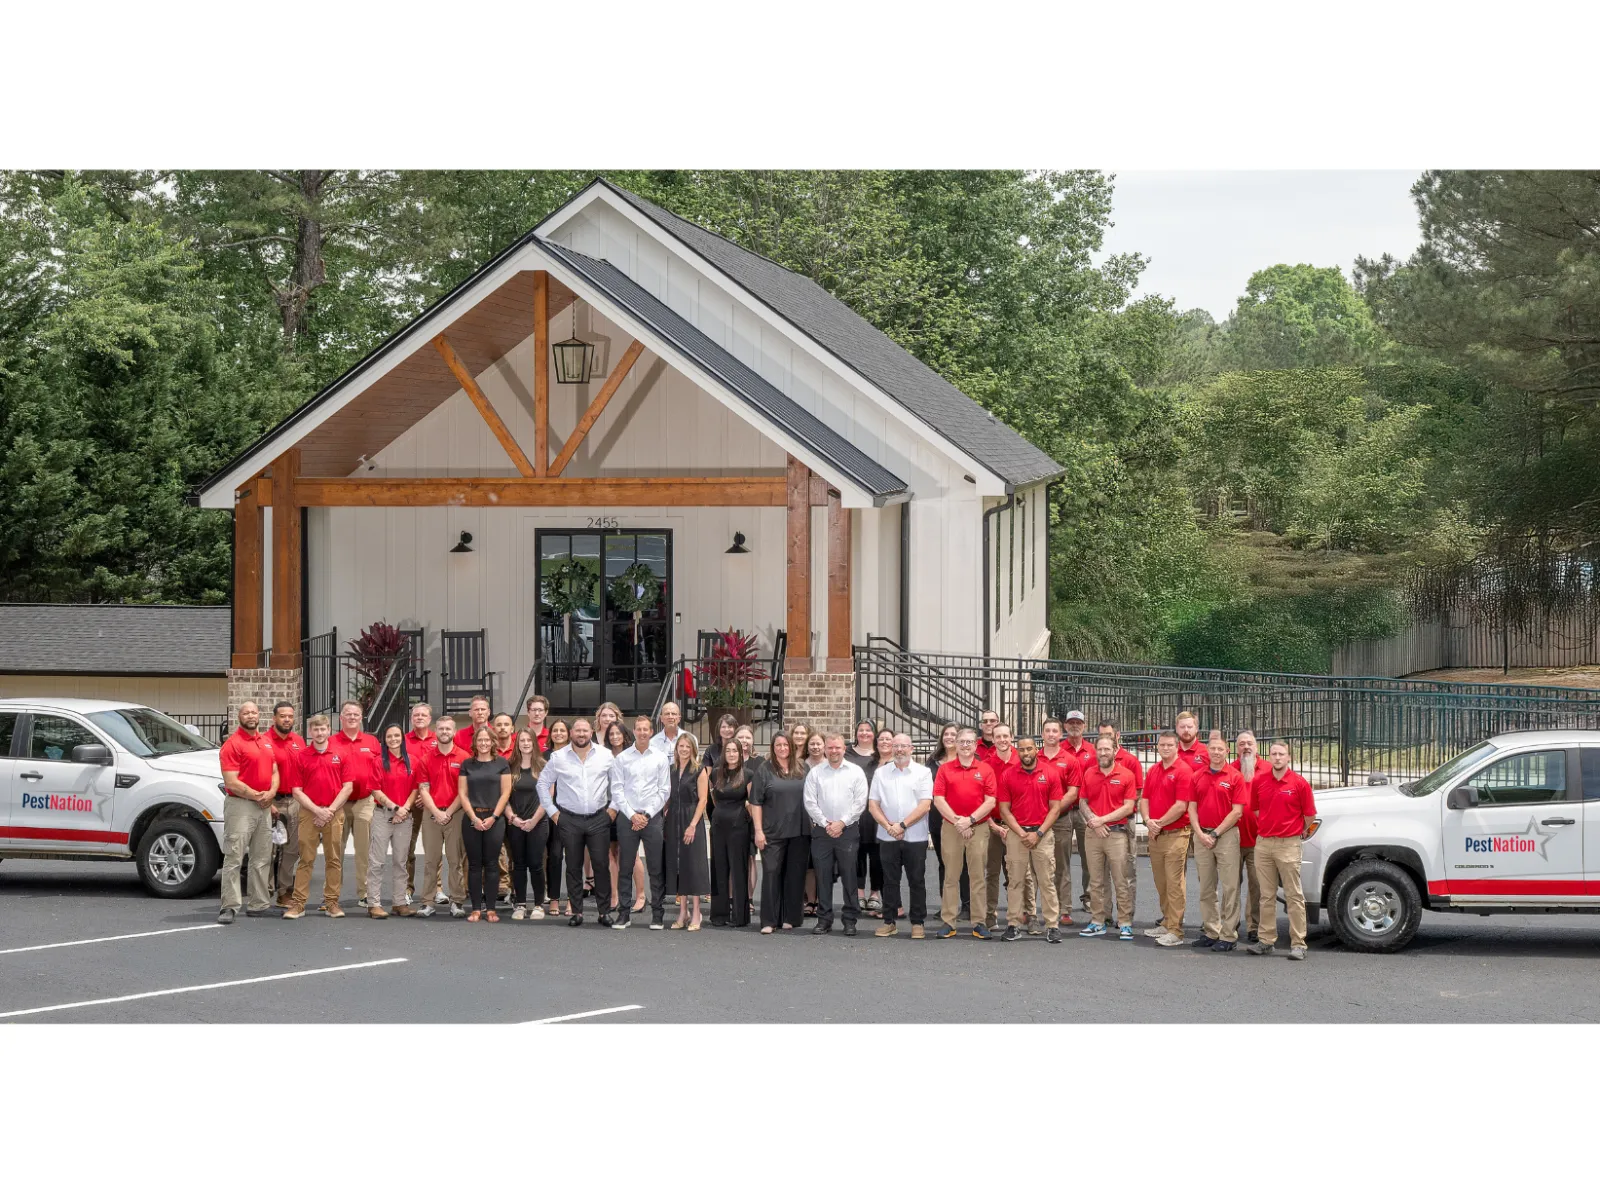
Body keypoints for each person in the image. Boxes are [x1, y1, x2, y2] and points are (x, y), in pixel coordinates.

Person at [537, 717, 616, 927]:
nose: (581, 734)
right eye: (577, 731)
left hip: (599, 818)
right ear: (571, 733)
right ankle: (577, 912)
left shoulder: (605, 755)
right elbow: (543, 784)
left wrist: (613, 810)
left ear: (591, 732)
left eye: (585, 730)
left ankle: (604, 912)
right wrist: (553, 812)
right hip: (568, 819)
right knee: (573, 866)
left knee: (601, 865)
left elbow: (618, 784)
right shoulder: (558, 757)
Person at [1246, 740, 1317, 961]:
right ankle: (1266, 941)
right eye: (1274, 754)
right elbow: (1256, 809)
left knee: (1293, 894)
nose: (1277, 757)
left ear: (1289, 757)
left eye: (1281, 754)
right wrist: (1270, 827)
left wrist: (1295, 831)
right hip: (1264, 843)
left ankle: (1298, 943)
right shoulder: (1260, 781)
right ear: (1269, 757)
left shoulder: (1299, 783)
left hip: (1289, 844)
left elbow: (1309, 815)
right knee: (1266, 895)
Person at [284, 713, 354, 919]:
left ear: (329, 730)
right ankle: (298, 904)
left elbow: (347, 787)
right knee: (306, 859)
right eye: (315, 729)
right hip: (309, 813)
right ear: (310, 732)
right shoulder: (302, 756)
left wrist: (329, 810)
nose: (320, 732)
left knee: (333, 860)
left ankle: (332, 902)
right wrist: (317, 810)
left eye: (323, 729)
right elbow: (296, 790)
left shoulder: (341, 754)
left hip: (334, 812)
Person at [997, 734, 1064, 944]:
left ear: (1037, 749)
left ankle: (1052, 925)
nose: (1026, 753)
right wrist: (1021, 833)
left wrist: (1039, 833)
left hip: (1042, 834)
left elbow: (1055, 808)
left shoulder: (1050, 773)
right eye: (1022, 749)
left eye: (1029, 749)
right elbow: (1004, 810)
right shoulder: (1008, 775)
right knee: (1015, 881)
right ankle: (1013, 924)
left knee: (1046, 881)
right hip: (1018, 835)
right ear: (1017, 751)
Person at [932, 728, 997, 939]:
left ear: (976, 745)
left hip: (977, 827)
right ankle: (948, 921)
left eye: (969, 742)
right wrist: (958, 821)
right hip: (952, 828)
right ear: (956, 744)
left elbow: (990, 801)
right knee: (951, 875)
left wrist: (969, 820)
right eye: (962, 741)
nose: (965, 745)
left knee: (978, 876)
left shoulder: (985, 769)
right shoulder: (945, 769)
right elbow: (939, 799)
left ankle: (979, 922)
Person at [217, 702, 278, 924]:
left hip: (263, 806)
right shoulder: (232, 745)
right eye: (246, 713)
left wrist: (271, 793)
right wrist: (257, 796)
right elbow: (231, 781)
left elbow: (274, 770)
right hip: (241, 805)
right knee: (234, 855)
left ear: (259, 715)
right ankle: (230, 906)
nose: (251, 716)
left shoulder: (266, 742)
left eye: (254, 712)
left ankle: (259, 904)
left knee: (262, 857)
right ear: (239, 716)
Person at [868, 732, 933, 939]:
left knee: (916, 880)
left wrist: (902, 825)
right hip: (888, 837)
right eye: (896, 746)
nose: (899, 749)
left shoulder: (922, 773)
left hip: (915, 837)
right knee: (890, 881)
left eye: (904, 746)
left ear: (911, 749)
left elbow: (925, 804)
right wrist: (889, 826)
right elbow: (873, 805)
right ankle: (889, 922)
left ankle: (918, 923)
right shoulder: (881, 773)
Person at [803, 733, 869, 936]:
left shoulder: (855, 772)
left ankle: (850, 920)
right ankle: (824, 919)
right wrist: (826, 824)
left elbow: (860, 802)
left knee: (849, 876)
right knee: (823, 876)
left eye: (837, 747)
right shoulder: (815, 773)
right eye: (830, 748)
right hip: (822, 832)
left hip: (848, 831)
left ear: (844, 748)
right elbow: (810, 801)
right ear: (825, 749)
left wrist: (841, 823)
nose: (833, 751)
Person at [610, 714, 671, 930]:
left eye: (646, 729)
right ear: (633, 731)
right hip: (628, 818)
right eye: (639, 729)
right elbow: (616, 790)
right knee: (625, 866)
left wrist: (646, 816)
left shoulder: (661, 758)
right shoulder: (623, 758)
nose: (643, 732)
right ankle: (624, 914)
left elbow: (664, 790)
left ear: (651, 732)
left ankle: (657, 915)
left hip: (652, 819)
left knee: (655, 867)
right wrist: (632, 815)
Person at [1076, 734, 1138, 940]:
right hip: (1093, 833)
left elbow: (1129, 806)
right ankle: (1097, 921)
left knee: (1121, 880)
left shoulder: (1127, 774)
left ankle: (1125, 922)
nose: (1103, 753)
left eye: (1107, 749)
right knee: (1096, 881)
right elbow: (1082, 801)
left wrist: (1102, 820)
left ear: (1114, 750)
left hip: (1116, 834)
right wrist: (1094, 821)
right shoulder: (1089, 773)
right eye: (1099, 749)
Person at [1188, 731, 1245, 951]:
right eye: (1213, 749)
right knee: (1206, 887)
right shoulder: (1197, 776)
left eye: (1221, 749)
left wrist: (1215, 834)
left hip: (1226, 836)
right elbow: (1191, 807)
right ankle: (1211, 930)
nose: (1217, 752)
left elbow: (1237, 812)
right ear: (1207, 751)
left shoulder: (1234, 777)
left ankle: (1228, 935)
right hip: (1202, 835)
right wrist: (1200, 834)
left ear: (1227, 751)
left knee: (1230, 887)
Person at [1141, 731, 1194, 947]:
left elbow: (1181, 806)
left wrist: (1158, 823)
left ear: (1177, 746)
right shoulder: (1154, 770)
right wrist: (1147, 821)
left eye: (1170, 745)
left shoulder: (1183, 771)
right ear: (1157, 746)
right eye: (1162, 745)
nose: (1165, 748)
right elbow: (1143, 799)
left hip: (1176, 835)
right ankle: (1166, 921)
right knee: (1161, 882)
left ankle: (1176, 930)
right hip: (1156, 834)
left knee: (1174, 883)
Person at [752, 731, 809, 934]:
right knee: (771, 873)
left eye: (786, 744)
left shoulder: (802, 767)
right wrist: (758, 831)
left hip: (799, 832)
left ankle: (790, 917)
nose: (782, 748)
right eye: (778, 745)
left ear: (792, 747)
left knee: (794, 875)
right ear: (772, 747)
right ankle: (769, 920)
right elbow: (756, 802)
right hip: (772, 832)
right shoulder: (764, 770)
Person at [416, 715, 470, 918]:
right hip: (432, 814)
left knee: (456, 860)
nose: (444, 732)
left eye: (448, 729)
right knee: (431, 860)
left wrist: (448, 813)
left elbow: (463, 791)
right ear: (435, 731)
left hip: (455, 814)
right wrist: (437, 813)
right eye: (441, 729)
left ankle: (457, 901)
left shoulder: (464, 757)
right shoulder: (426, 759)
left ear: (454, 732)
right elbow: (423, 789)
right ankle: (427, 902)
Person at [458, 727, 511, 922]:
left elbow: (505, 793)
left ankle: (490, 909)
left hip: (494, 820)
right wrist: (473, 818)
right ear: (475, 743)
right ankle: (475, 909)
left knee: (491, 864)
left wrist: (494, 817)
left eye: (487, 740)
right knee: (474, 865)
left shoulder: (502, 763)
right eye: (480, 740)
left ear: (492, 742)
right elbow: (462, 794)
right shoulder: (467, 764)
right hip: (472, 818)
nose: (483, 743)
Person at [366, 724, 418, 918]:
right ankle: (374, 904)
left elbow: (416, 788)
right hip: (383, 815)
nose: (393, 739)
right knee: (377, 861)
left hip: (405, 817)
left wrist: (404, 809)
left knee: (400, 861)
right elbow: (375, 789)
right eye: (389, 736)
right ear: (384, 740)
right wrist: (395, 807)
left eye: (397, 736)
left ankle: (399, 902)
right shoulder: (378, 761)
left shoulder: (412, 761)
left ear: (402, 738)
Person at [334, 700, 382, 909]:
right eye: (348, 714)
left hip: (364, 801)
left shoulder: (372, 742)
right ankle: (332, 895)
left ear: (360, 718)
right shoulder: (331, 742)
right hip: (339, 804)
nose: (352, 717)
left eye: (355, 714)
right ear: (341, 718)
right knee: (335, 850)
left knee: (364, 852)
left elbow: (381, 771)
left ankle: (364, 894)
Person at [1041, 713, 1088, 923]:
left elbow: (1073, 791)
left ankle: (1064, 909)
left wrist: (1054, 810)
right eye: (1047, 730)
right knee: (1034, 866)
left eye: (1054, 731)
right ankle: (1030, 909)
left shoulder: (1069, 760)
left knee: (1062, 863)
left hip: (1061, 817)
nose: (1051, 734)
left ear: (1061, 734)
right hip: (1036, 818)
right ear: (1042, 734)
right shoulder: (1034, 757)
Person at [705, 739, 753, 927]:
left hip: (738, 827)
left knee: (738, 870)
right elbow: (714, 799)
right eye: (728, 751)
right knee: (718, 868)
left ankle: (740, 916)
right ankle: (719, 914)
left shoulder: (748, 774)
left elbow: (752, 802)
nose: (732, 754)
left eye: (735, 751)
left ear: (741, 753)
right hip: (718, 825)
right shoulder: (716, 774)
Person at [664, 733, 708, 930]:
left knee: (693, 865)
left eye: (687, 746)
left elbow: (703, 800)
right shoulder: (671, 770)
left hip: (692, 819)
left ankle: (697, 912)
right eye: (680, 746)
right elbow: (667, 796)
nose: (683, 749)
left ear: (693, 749)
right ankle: (683, 911)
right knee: (679, 863)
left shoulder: (699, 771)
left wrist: (692, 825)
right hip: (674, 818)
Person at [925, 724, 969, 919]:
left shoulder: (968, 760)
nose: (949, 737)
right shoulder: (932, 762)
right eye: (947, 734)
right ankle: (947, 905)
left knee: (966, 863)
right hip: (938, 818)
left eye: (954, 734)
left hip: (964, 819)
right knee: (944, 863)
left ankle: (967, 906)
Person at [505, 730, 549, 921]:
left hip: (537, 823)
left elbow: (549, 797)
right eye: (521, 740)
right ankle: (521, 904)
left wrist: (533, 821)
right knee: (519, 864)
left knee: (536, 864)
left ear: (534, 742)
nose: (525, 743)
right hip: (515, 823)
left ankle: (538, 904)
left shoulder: (543, 766)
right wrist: (513, 818)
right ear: (517, 743)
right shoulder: (509, 767)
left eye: (528, 740)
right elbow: (503, 797)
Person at [265, 702, 306, 907]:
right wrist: (268, 802)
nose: (287, 719)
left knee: (292, 849)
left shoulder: (298, 741)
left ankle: (284, 891)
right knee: (269, 850)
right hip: (272, 802)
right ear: (274, 718)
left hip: (295, 801)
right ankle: (266, 892)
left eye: (290, 716)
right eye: (282, 716)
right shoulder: (264, 742)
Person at [982, 722, 1021, 932]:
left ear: (1012, 737)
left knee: (1018, 874)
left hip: (1017, 826)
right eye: (998, 737)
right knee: (993, 873)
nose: (1002, 740)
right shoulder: (987, 764)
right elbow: (983, 799)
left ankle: (1019, 915)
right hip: (993, 825)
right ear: (993, 739)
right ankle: (990, 915)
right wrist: (993, 825)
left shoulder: (1021, 761)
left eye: (1006, 736)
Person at [844, 720, 885, 917]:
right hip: (855, 813)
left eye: (868, 730)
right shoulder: (847, 754)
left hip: (878, 813)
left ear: (874, 734)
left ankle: (875, 893)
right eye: (861, 730)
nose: (865, 733)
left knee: (877, 855)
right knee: (857, 854)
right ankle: (859, 892)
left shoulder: (880, 755)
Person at [1231, 729, 1264, 943]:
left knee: (1257, 885)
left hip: (1258, 838)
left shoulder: (1269, 769)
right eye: (1241, 744)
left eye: (1249, 743)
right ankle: (1230, 925)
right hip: (1231, 839)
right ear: (1236, 748)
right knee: (1231, 885)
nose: (1246, 747)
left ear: (1257, 746)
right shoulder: (1228, 770)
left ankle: (1254, 926)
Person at [402, 703, 437, 906]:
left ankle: (437, 888)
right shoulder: (403, 741)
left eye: (424, 714)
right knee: (408, 847)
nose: (420, 717)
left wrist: (428, 795)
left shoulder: (438, 740)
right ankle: (408, 888)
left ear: (430, 719)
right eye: (416, 714)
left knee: (434, 849)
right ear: (411, 718)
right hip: (411, 801)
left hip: (434, 801)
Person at [543, 719, 572, 917]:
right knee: (553, 856)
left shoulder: (575, 755)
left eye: (563, 730)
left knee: (573, 858)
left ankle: (572, 899)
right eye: (556, 730)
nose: (559, 733)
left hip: (571, 813)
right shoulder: (543, 756)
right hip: (549, 813)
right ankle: (554, 899)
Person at [1174, 710, 1210, 774]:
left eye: (1189, 727)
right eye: (1182, 727)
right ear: (1176, 729)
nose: (1186, 730)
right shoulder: (1172, 751)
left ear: (1196, 729)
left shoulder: (1207, 752)